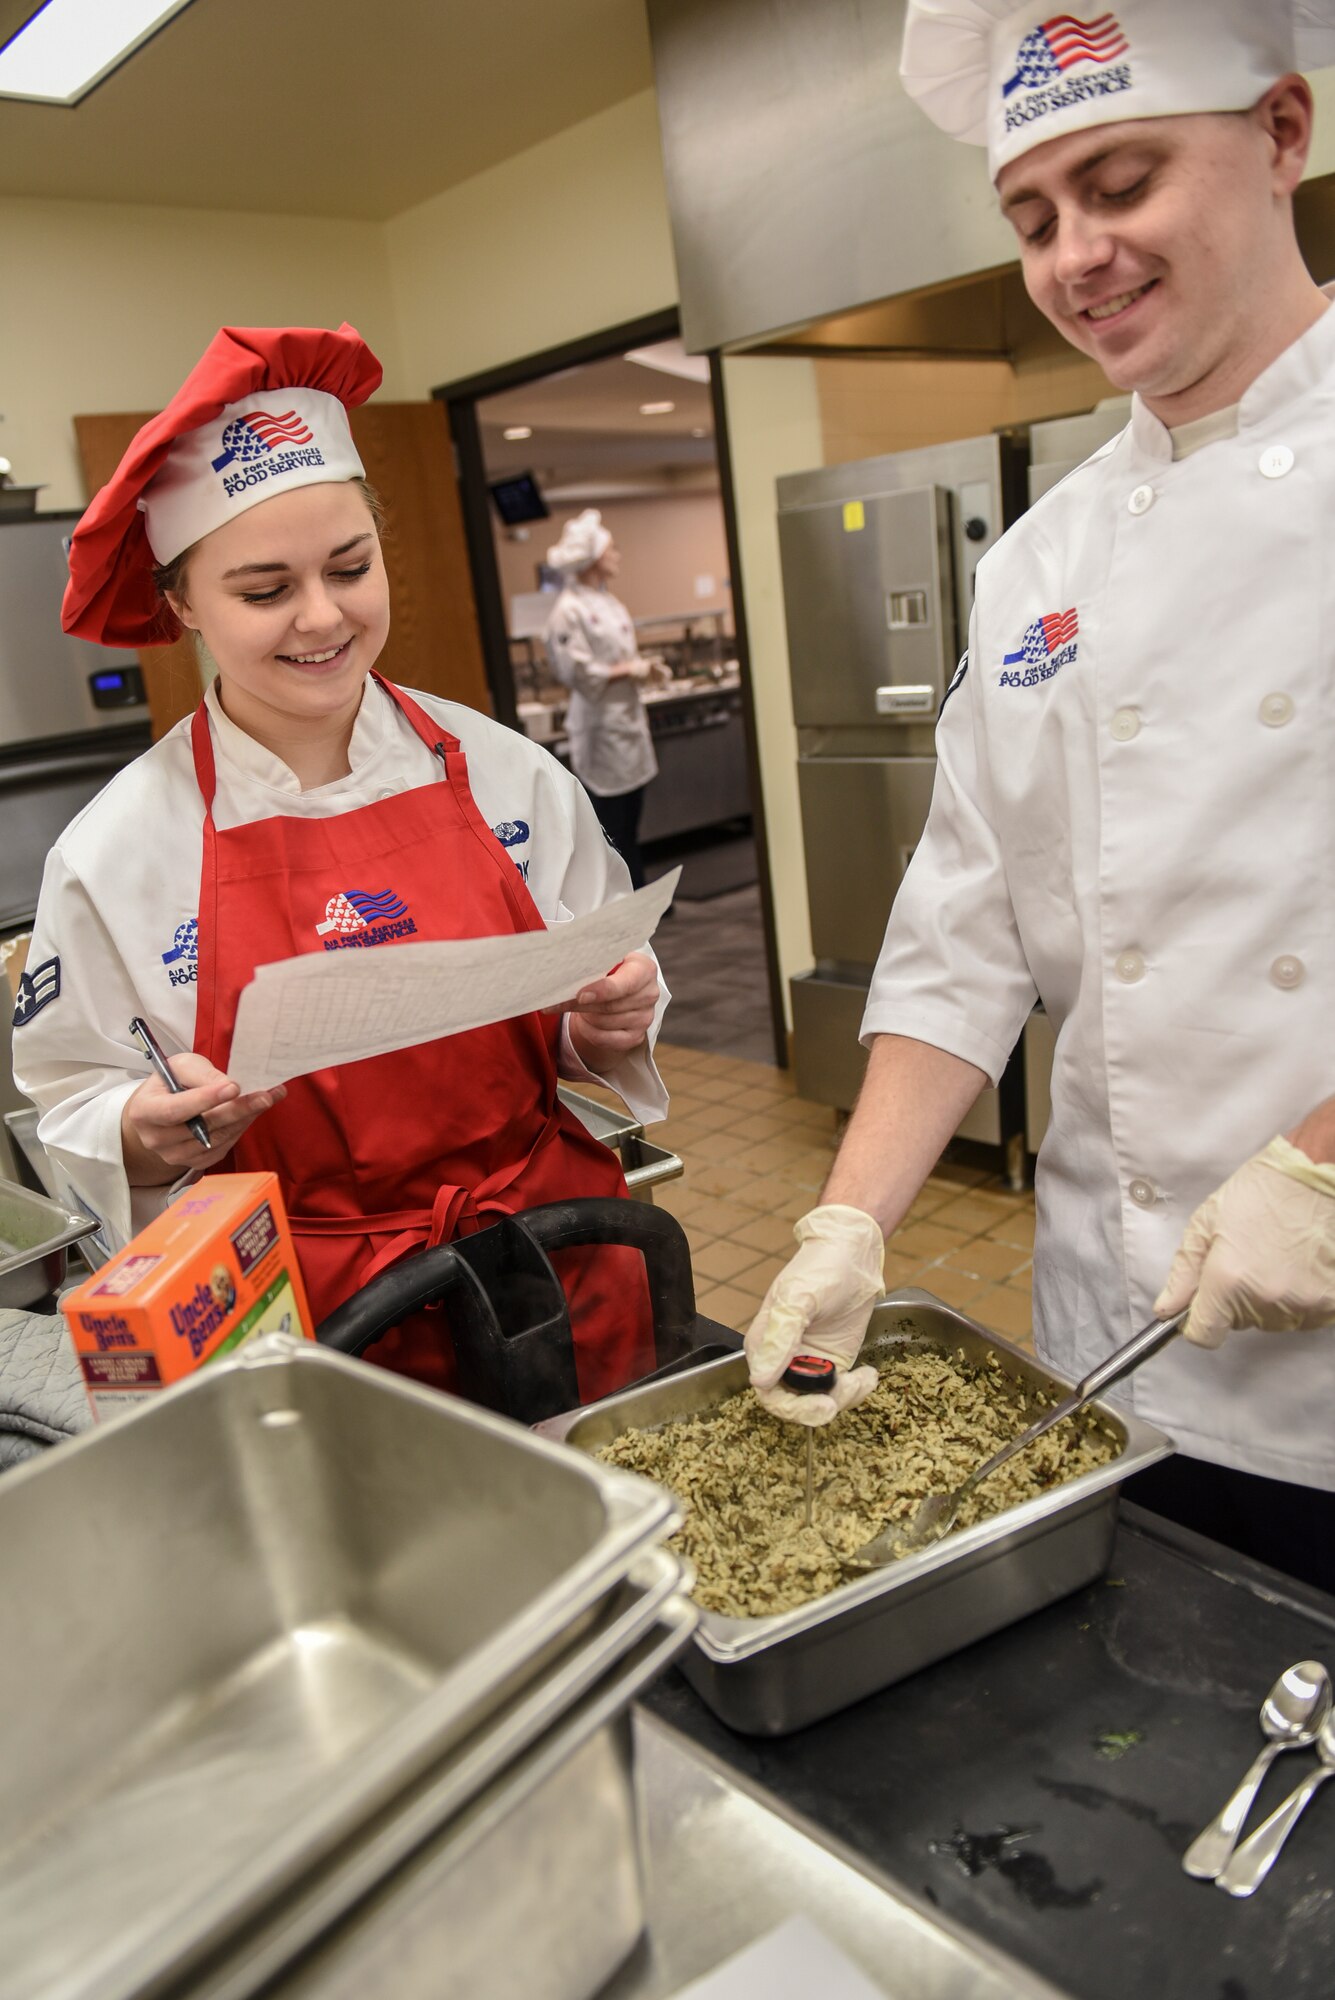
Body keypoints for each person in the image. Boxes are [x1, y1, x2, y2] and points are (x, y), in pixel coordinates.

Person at [745, 0, 1335, 1588]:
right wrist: (850, 1223)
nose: (1076, 255)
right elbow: (964, 934)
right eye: (1030, 217)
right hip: (1116, 1345)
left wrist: (1324, 1164)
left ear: (1281, 135)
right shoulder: (1034, 564)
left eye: (1120, 182)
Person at [13, 324, 668, 1403]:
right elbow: (68, 1095)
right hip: (303, 1314)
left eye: (351, 568)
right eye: (265, 591)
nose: (323, 617)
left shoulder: (505, 773)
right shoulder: (115, 852)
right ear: (181, 604)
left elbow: (598, 988)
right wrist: (139, 1129)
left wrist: (602, 1025)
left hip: (551, 1257)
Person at [543, 511, 658, 889]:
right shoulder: (568, 610)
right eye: (612, 549)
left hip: (627, 723)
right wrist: (629, 670)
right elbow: (575, 670)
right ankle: (623, 906)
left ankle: (639, 894)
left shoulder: (610, 603)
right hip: (600, 729)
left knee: (631, 823)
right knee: (612, 829)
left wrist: (644, 668)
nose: (618, 555)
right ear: (593, 557)